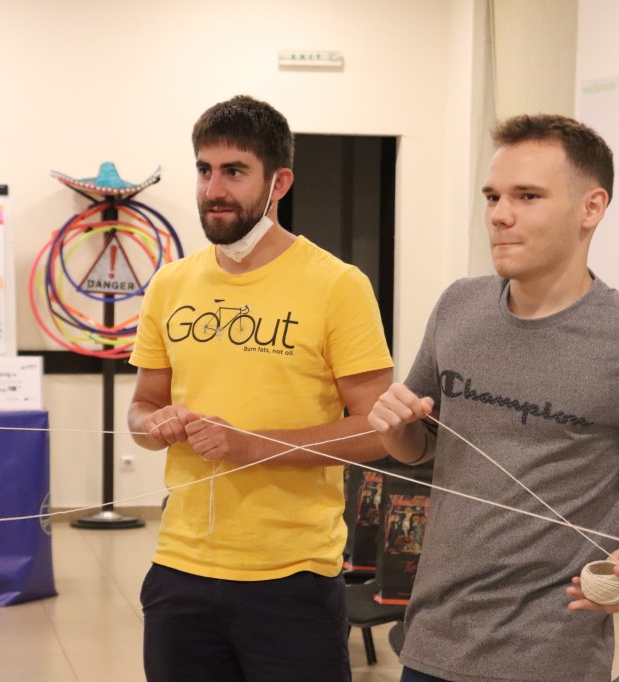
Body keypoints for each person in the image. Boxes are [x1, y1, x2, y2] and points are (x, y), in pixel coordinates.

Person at [368, 114, 619, 682]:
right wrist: (395, 429)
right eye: (493, 197)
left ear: (591, 208)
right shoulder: (457, 307)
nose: (500, 215)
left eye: (527, 196)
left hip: (552, 655)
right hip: (433, 640)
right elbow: (420, 448)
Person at [127, 95, 393, 681]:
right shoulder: (170, 284)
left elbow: (380, 432)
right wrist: (153, 425)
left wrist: (252, 445)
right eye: (204, 170)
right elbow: (142, 409)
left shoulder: (338, 285)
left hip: (293, 577)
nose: (213, 189)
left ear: (280, 182)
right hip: (180, 569)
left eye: (234, 171)